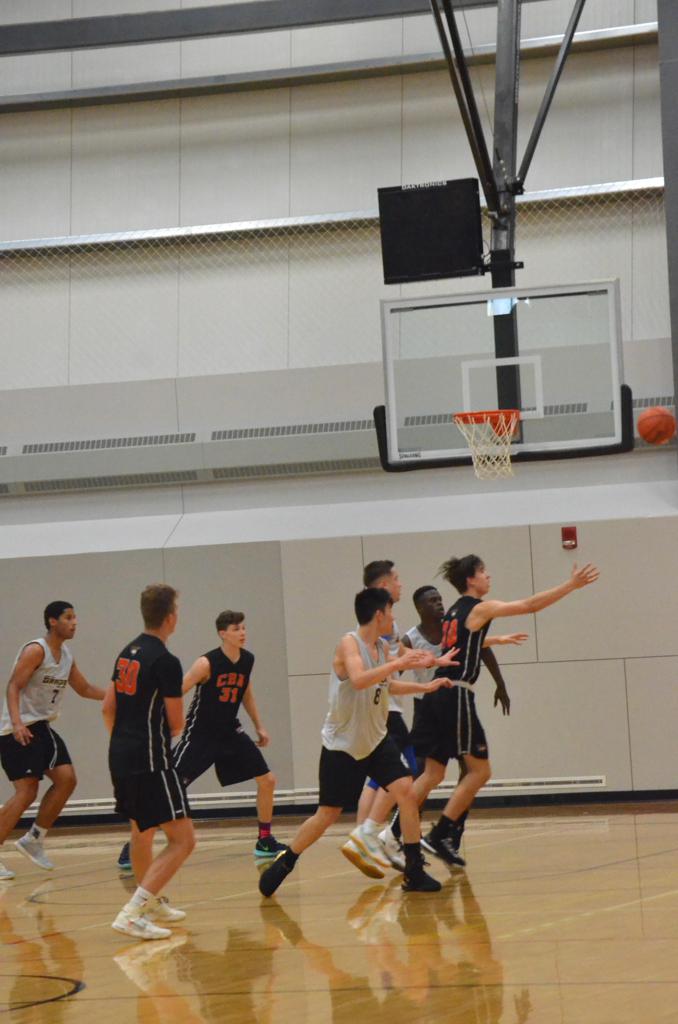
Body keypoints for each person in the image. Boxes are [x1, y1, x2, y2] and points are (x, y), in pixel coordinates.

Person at [399, 556, 599, 867]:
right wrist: (571, 585)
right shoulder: (479, 607)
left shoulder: (452, 613)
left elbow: (467, 644)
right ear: (470, 580)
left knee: (434, 772)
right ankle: (440, 834)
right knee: (480, 771)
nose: (488, 575)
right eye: (482, 572)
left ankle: (397, 833)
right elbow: (530, 605)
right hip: (456, 695)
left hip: (437, 697)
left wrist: (495, 641)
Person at [258, 587, 458, 898]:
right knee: (328, 814)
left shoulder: (380, 646)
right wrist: (397, 663)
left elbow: (386, 684)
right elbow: (361, 678)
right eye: (391, 612)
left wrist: (426, 686)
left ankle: (414, 870)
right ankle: (288, 859)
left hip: (375, 740)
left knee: (406, 790)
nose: (394, 618)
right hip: (343, 745)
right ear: (379, 615)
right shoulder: (348, 644)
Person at [376, 584, 525, 869]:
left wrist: (500, 666)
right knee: (431, 773)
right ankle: (403, 833)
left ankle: (444, 837)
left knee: (454, 773)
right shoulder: (412, 637)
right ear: (420, 608)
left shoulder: (450, 626)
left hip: (447, 700)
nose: (439, 604)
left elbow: (476, 645)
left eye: (440, 599)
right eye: (432, 601)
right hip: (428, 705)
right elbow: (394, 670)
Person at [103, 583, 195, 940]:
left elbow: (107, 708)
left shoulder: (127, 652)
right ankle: (133, 911)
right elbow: (176, 724)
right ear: (171, 617)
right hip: (152, 760)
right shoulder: (166, 661)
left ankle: (149, 901)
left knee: (142, 832)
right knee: (184, 840)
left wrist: (125, 742)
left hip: (121, 755)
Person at [0, 601, 106, 880]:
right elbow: (13, 685)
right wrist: (17, 722)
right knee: (27, 792)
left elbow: (84, 688)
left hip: (42, 728)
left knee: (67, 779)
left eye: (75, 617)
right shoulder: (36, 650)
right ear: (52, 621)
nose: (74, 623)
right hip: (17, 729)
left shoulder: (66, 656)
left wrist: (117, 696)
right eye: (68, 618)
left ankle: (33, 839)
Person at [174, 609, 284, 858]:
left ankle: (264, 840)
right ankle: (134, 843)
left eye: (244, 628)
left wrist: (259, 725)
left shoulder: (247, 660)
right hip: (200, 733)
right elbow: (179, 689)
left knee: (267, 780)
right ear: (222, 634)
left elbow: (246, 692)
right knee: (168, 787)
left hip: (230, 731)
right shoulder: (206, 663)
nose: (242, 633)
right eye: (236, 629)